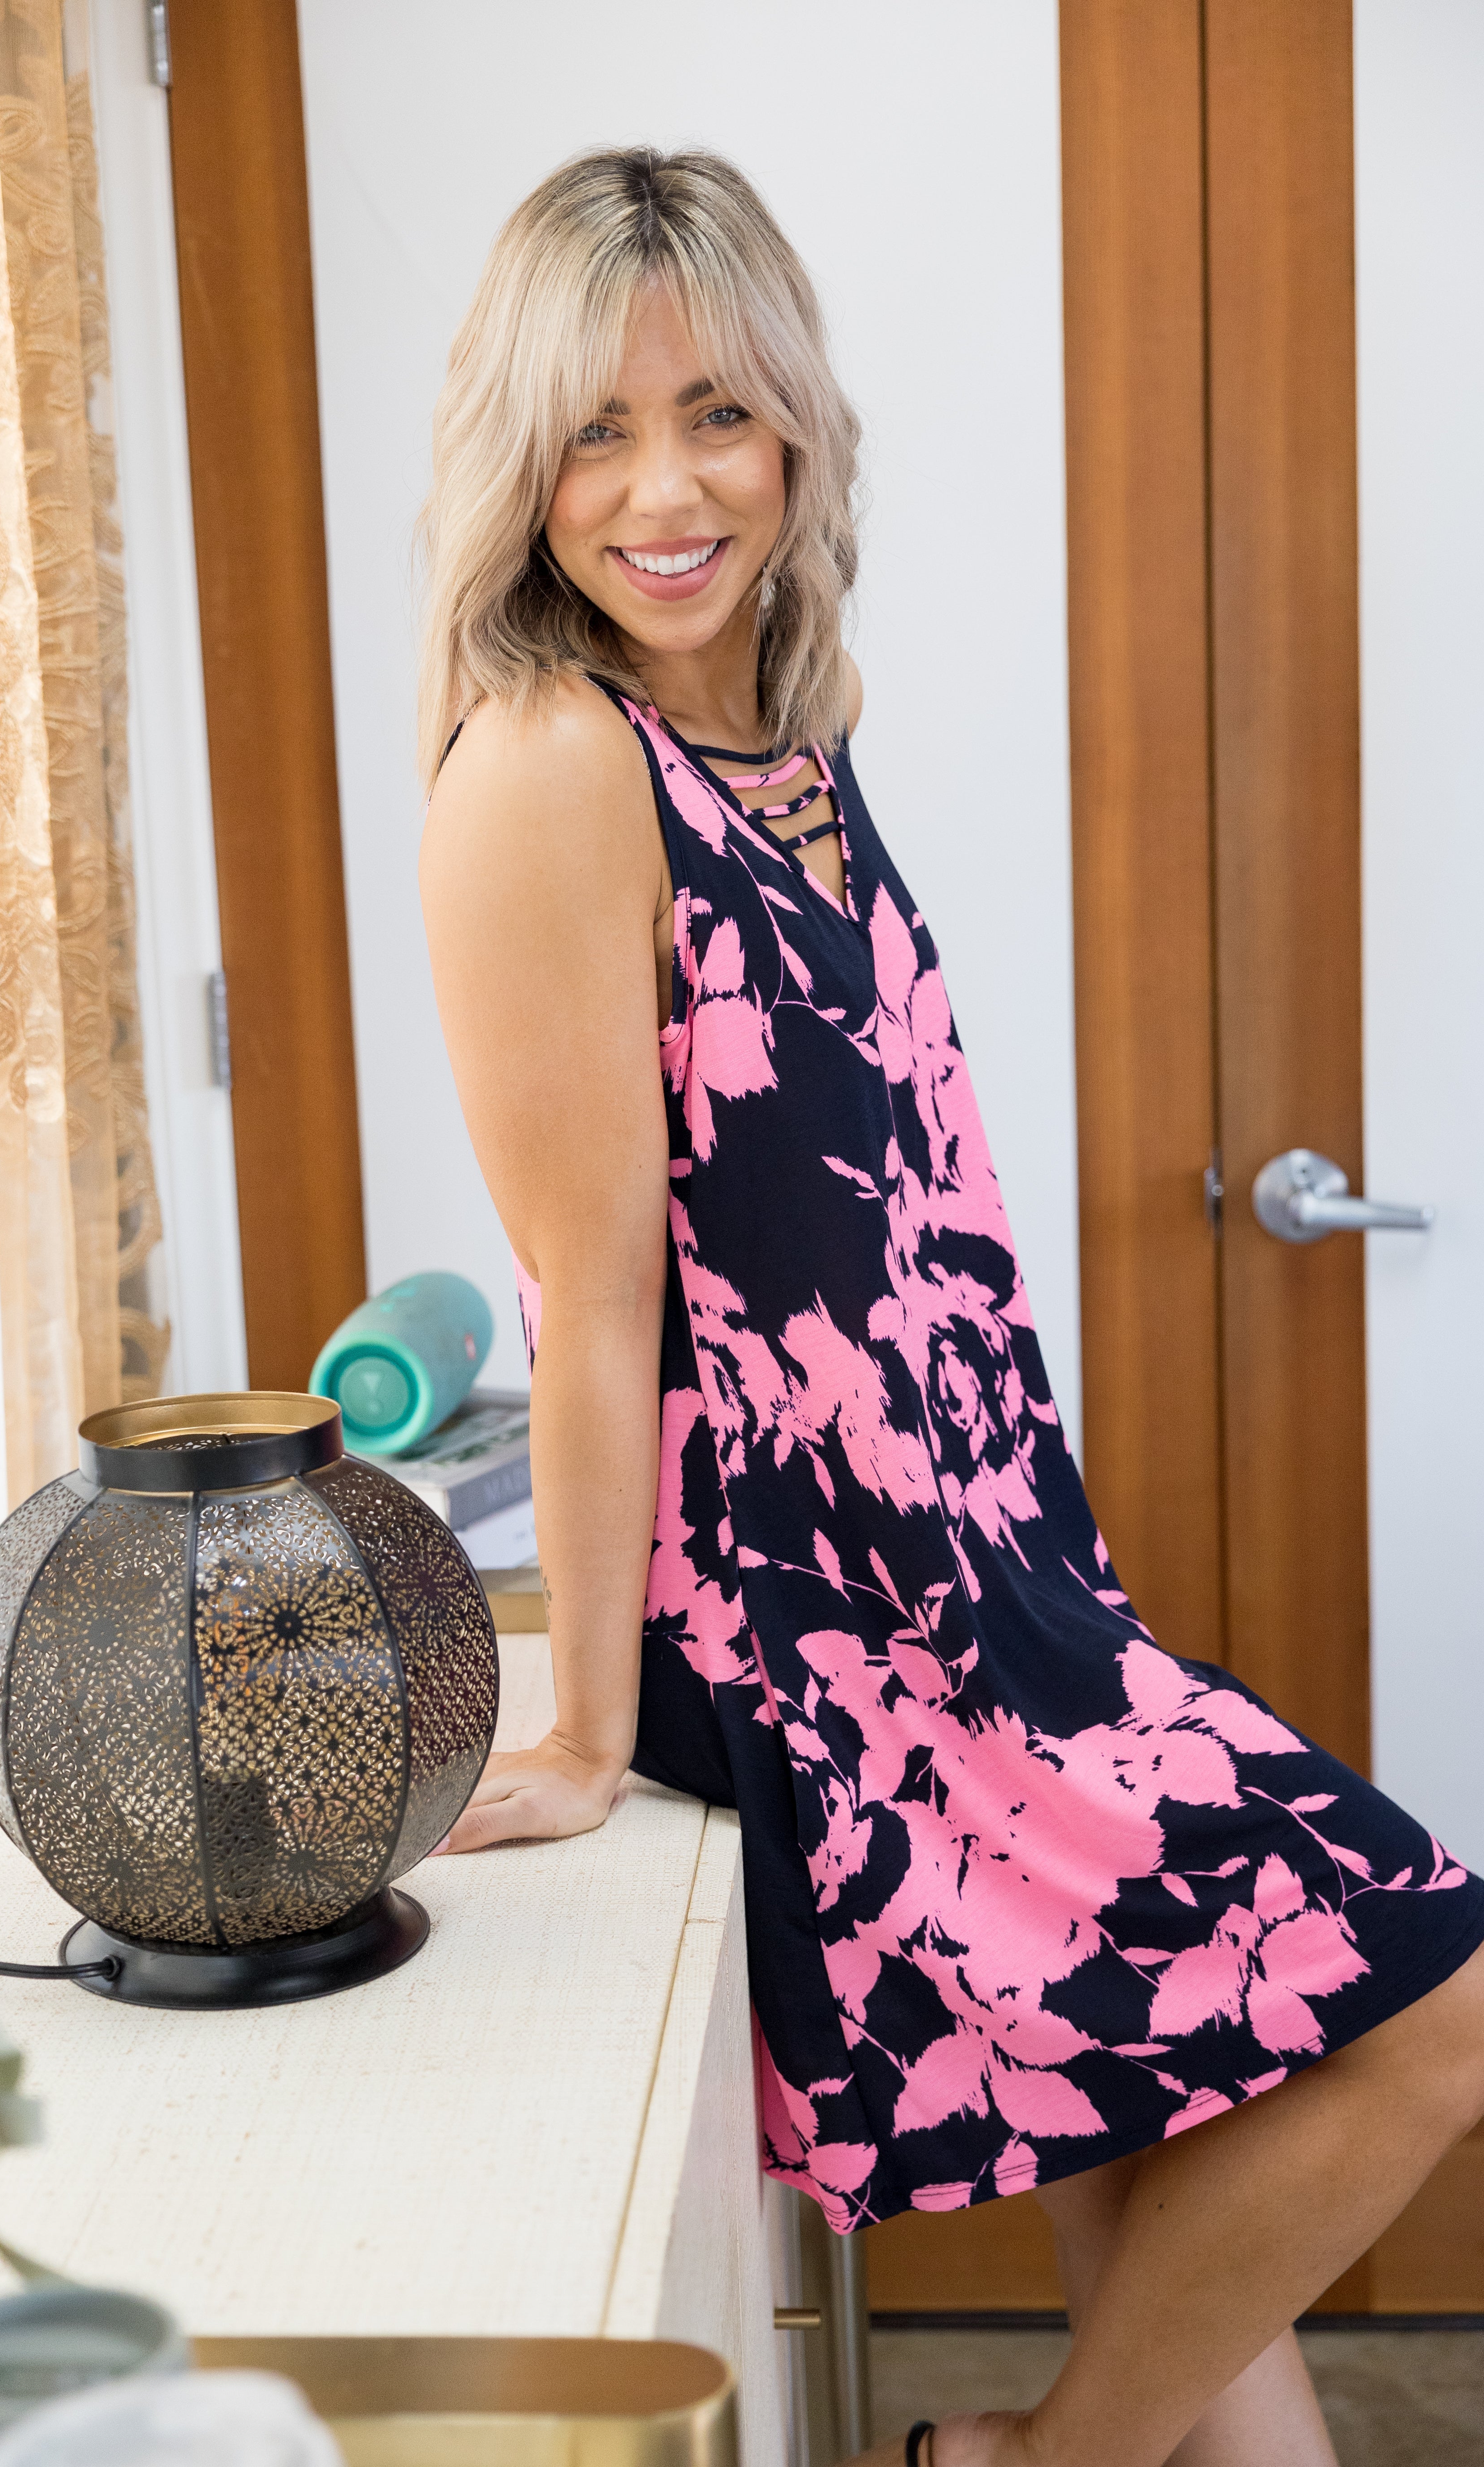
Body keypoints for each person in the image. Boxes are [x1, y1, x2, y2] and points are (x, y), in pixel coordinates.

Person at [416, 147, 1484, 2467]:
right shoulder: (553, 767)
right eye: (595, 432)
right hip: (822, 1640)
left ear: (795, 424)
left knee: (1205, 2139)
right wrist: (585, 1730)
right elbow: (596, 1293)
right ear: (520, 467)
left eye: (717, 412)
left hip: (995, 1583)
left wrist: (1046, 1569)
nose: (667, 491)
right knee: (1439, 2011)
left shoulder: (788, 735)